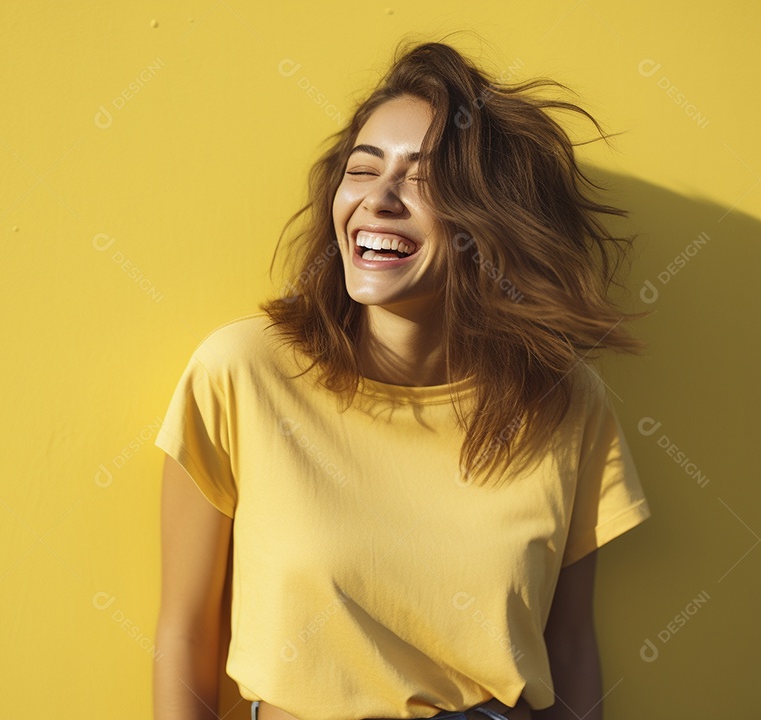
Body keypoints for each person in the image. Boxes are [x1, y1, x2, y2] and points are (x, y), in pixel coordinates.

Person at [153, 36, 653, 720]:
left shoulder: (563, 402)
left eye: (423, 180)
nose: (379, 200)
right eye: (363, 170)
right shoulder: (241, 373)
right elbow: (185, 635)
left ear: (490, 218)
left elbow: (569, 651)